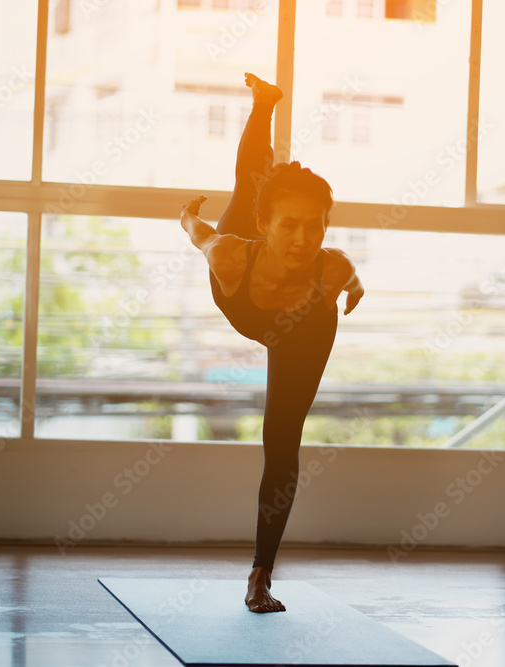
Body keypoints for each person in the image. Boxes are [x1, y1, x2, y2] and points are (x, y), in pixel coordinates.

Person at [179, 73, 365, 613]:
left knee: (281, 441)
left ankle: (261, 573)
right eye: (289, 226)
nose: (303, 239)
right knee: (248, 182)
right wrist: (189, 215)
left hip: (304, 328)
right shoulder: (232, 252)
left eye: (315, 226)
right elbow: (198, 233)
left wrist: (354, 291)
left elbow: (352, 277)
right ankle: (263, 104)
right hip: (242, 298)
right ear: (268, 227)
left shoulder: (330, 270)